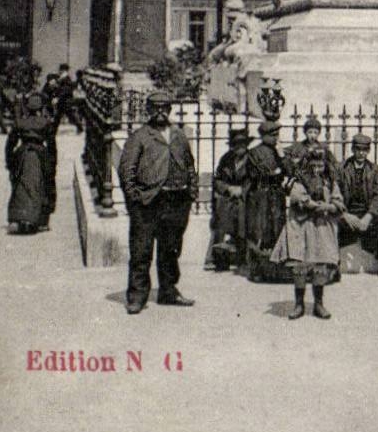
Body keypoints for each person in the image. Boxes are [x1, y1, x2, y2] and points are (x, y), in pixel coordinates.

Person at [116, 93, 197, 313]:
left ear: (170, 109)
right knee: (141, 251)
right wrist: (135, 198)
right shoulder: (140, 136)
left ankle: (168, 291)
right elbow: (126, 170)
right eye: (155, 108)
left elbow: (189, 164)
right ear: (148, 111)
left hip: (176, 200)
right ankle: (137, 296)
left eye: (164, 108)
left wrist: (191, 191)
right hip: (149, 201)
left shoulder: (179, 135)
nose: (160, 112)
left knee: (170, 250)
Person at [272, 121, 343, 319]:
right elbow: (298, 196)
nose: (317, 169)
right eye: (313, 165)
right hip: (302, 225)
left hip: (321, 226)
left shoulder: (329, 181)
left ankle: (319, 304)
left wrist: (330, 206)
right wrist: (314, 205)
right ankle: (299, 304)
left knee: (320, 263)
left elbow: (338, 200)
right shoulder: (299, 179)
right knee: (301, 265)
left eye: (320, 165)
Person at [336, 132, 378, 282]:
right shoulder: (341, 168)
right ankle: (333, 266)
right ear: (352, 150)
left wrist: (369, 215)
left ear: (368, 151)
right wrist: (345, 214)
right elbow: (335, 194)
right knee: (330, 225)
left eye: (365, 150)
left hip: (367, 213)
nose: (361, 153)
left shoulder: (374, 169)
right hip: (347, 213)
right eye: (358, 149)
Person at [5, 91, 56, 235]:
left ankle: (19, 217)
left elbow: (10, 143)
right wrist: (53, 163)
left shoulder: (21, 122)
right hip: (40, 154)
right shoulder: (46, 123)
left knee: (21, 186)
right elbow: (52, 145)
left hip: (22, 154)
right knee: (41, 184)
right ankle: (38, 219)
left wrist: (10, 161)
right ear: (41, 109)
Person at [244, 118, 288, 282]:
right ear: (263, 136)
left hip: (276, 195)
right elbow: (256, 174)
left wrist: (282, 156)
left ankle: (274, 270)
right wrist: (275, 173)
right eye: (272, 135)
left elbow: (290, 171)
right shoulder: (254, 153)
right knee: (259, 231)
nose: (276, 138)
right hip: (260, 196)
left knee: (277, 229)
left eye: (277, 134)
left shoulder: (279, 152)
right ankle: (256, 270)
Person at [206, 124, 250, 272]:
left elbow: (255, 180)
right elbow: (217, 179)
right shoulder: (226, 159)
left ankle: (243, 259)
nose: (239, 148)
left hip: (246, 198)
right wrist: (228, 188)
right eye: (235, 145)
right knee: (221, 217)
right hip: (228, 197)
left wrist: (242, 190)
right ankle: (217, 258)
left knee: (243, 219)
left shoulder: (252, 159)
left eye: (242, 145)